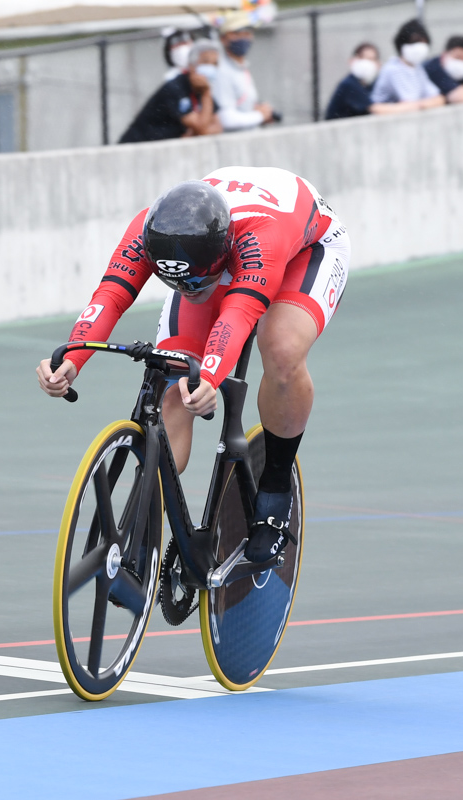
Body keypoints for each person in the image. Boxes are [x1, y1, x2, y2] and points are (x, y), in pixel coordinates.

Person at [37, 168, 349, 563]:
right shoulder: (152, 230)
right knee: (174, 382)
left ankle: (275, 487)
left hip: (302, 251)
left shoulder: (261, 237)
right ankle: (146, 512)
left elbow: (237, 317)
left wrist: (212, 377)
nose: (188, 294)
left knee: (282, 349)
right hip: (212, 257)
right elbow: (111, 296)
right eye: (178, 284)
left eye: (193, 283)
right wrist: (71, 357)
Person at [119, 39, 222, 143]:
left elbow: (218, 127)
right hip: (138, 147)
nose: (210, 68)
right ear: (191, 65)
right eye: (205, 62)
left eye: (215, 64)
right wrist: (206, 93)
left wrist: (196, 132)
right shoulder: (175, 88)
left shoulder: (203, 90)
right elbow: (201, 128)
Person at [212, 13, 276, 131]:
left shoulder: (241, 67)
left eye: (247, 33)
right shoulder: (222, 70)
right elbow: (225, 119)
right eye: (236, 33)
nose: (243, 38)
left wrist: (260, 113)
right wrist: (260, 115)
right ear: (223, 38)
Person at [370, 19, 446, 109]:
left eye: (423, 43)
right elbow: (410, 104)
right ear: (402, 45)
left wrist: (422, 104)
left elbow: (439, 98)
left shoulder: (417, 68)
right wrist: (424, 103)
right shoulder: (393, 68)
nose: (420, 47)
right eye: (415, 42)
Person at [425, 35, 463, 104]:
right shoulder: (432, 68)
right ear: (445, 54)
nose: (461, 63)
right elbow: (459, 97)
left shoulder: (458, 73)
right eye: (458, 58)